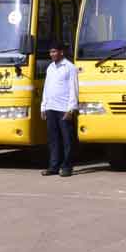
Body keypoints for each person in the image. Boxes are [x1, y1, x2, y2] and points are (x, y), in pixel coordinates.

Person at [37, 40, 79, 178]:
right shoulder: (50, 68)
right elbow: (46, 88)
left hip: (64, 109)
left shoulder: (70, 67)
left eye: (54, 51)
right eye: (51, 52)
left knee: (67, 139)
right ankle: (53, 166)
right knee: (53, 140)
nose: (52, 54)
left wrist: (71, 109)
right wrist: (43, 106)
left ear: (62, 52)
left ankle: (67, 166)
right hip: (51, 108)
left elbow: (74, 89)